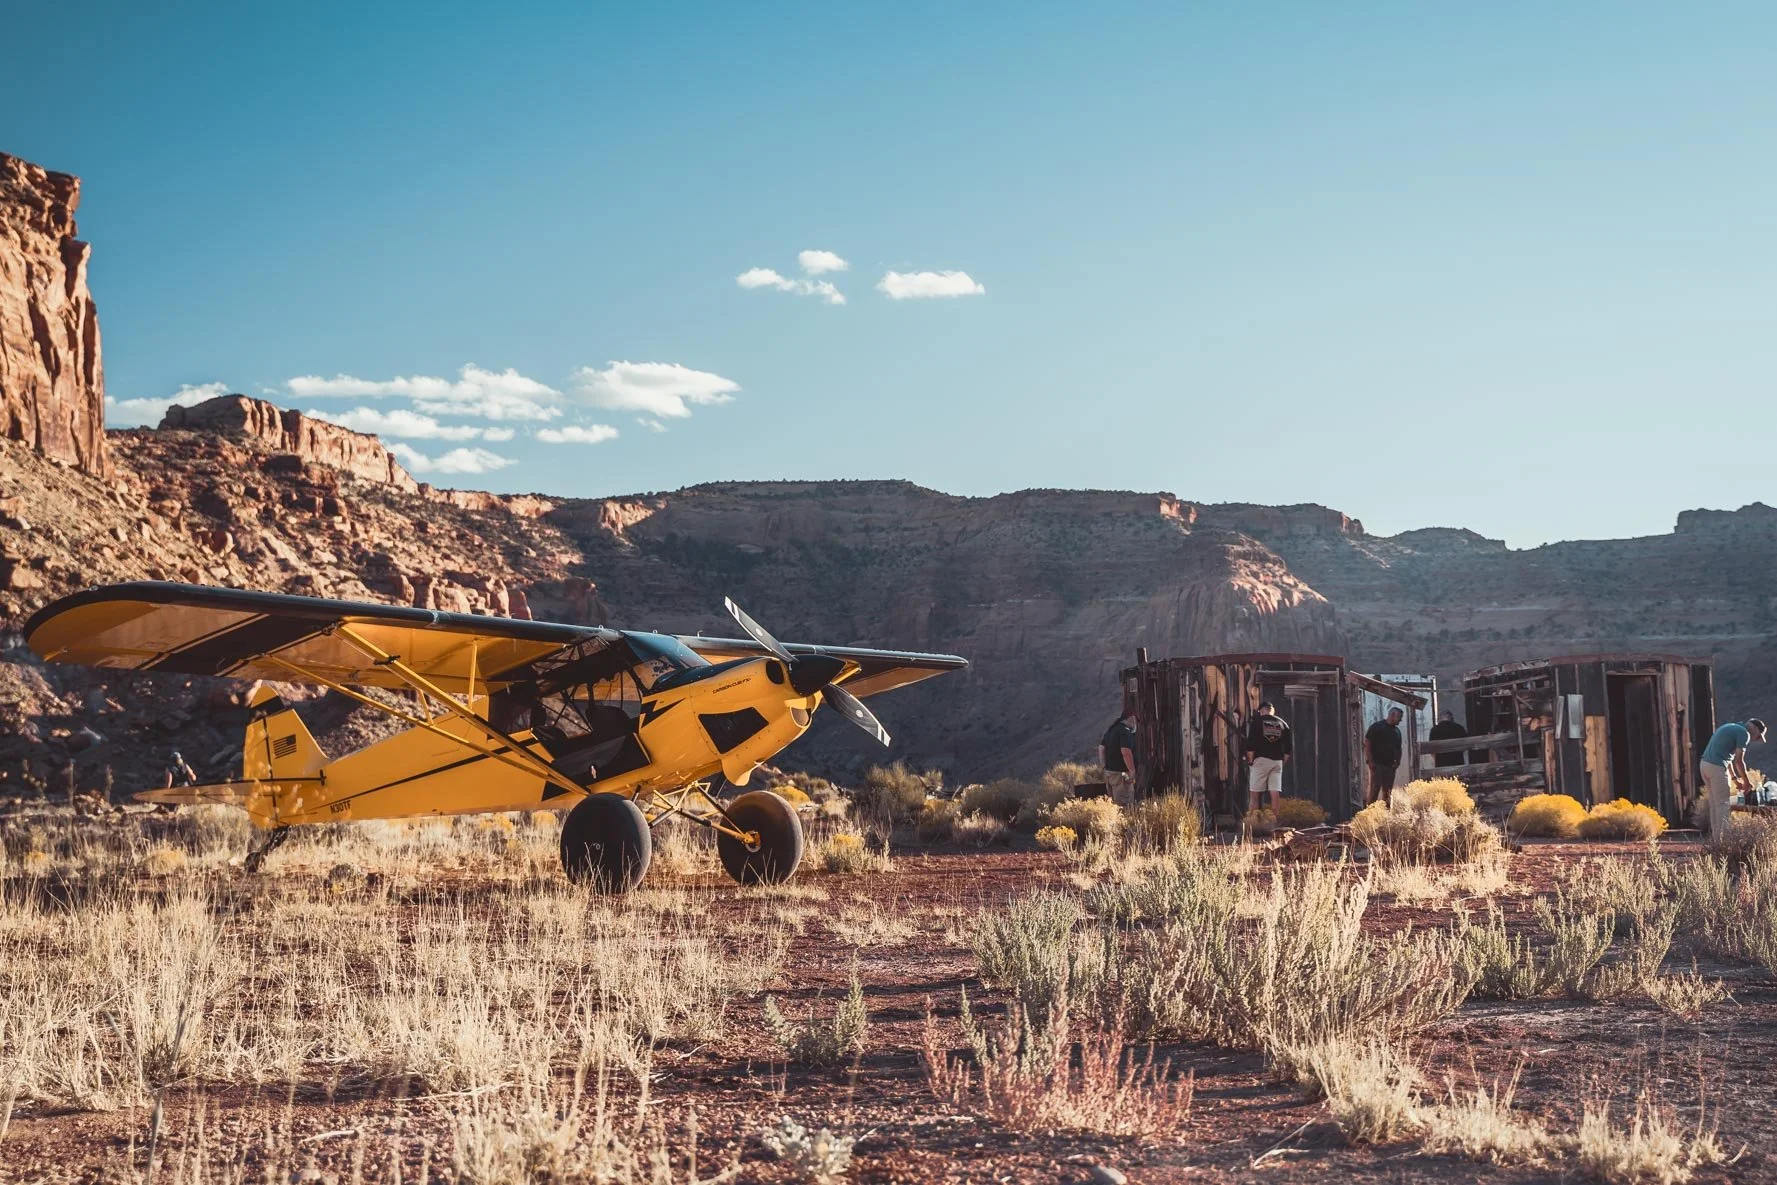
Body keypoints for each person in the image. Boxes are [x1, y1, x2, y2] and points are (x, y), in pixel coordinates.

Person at [1698, 717, 1767, 835]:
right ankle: (1723, 841)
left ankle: (1716, 841)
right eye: (1759, 736)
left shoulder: (1731, 727)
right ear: (1755, 728)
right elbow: (1739, 761)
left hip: (1705, 765)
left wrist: (1735, 779)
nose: (1756, 740)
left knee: (1715, 804)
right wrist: (1746, 782)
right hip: (1717, 767)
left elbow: (1728, 757)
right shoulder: (1744, 734)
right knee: (1723, 804)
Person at [1243, 699, 1292, 815]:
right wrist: (1282, 762)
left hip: (1260, 760)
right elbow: (1288, 747)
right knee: (1275, 792)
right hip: (1277, 762)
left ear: (1261, 711)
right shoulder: (1283, 724)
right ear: (1273, 711)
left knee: (1254, 793)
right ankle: (1274, 820)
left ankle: (1253, 822)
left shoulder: (1256, 722)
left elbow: (1250, 745)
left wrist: (1250, 761)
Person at [1364, 707, 1404, 806]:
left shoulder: (1397, 732)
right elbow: (1368, 744)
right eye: (1399, 717)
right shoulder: (1377, 727)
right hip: (1377, 765)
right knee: (1374, 790)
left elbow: (1398, 748)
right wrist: (1371, 761)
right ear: (1392, 715)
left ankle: (1386, 815)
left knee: (1388, 792)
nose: (1401, 720)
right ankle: (1369, 814)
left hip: (1390, 766)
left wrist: (1397, 762)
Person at [1099, 710, 1138, 807]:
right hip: (1121, 775)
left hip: (1110, 774)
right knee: (1124, 806)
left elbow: (1101, 749)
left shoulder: (1111, 730)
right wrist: (1132, 771)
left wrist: (1105, 765)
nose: (1136, 723)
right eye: (1136, 720)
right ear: (1132, 718)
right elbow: (1126, 752)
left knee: (1114, 806)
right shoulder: (1125, 732)